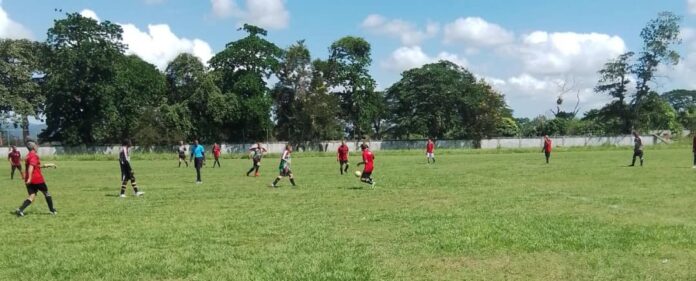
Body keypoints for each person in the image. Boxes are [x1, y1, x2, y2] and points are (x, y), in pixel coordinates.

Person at [15, 140, 57, 217]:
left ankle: (20, 210)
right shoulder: (34, 155)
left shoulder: (28, 155)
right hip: (37, 179)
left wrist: (47, 165)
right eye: (37, 146)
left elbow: (35, 166)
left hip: (29, 179)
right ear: (34, 147)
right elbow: (31, 167)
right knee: (46, 193)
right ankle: (52, 210)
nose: (38, 147)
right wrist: (30, 178)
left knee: (32, 196)